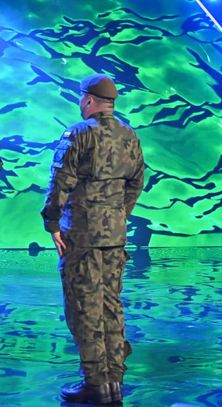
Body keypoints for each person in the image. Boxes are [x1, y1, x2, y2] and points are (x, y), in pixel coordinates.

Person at [41, 74, 145, 404]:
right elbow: (137, 181)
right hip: (114, 236)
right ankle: (114, 381)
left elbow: (60, 182)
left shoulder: (78, 134)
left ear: (88, 100)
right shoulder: (130, 135)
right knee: (111, 306)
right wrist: (118, 214)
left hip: (82, 237)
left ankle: (96, 384)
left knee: (84, 308)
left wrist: (52, 223)